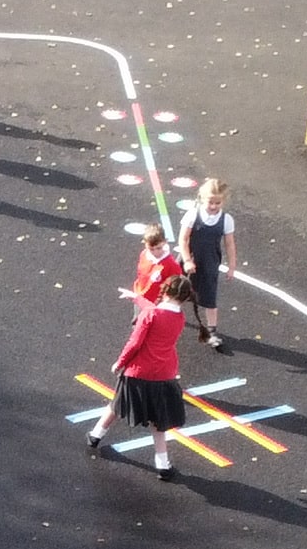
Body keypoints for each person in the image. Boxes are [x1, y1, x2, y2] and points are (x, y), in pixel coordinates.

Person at [101, 241, 191, 483]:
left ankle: (95, 435)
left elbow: (135, 342)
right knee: (158, 423)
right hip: (164, 375)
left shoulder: (150, 315)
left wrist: (119, 363)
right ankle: (163, 464)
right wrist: (136, 298)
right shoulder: (180, 318)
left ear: (166, 290)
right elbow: (158, 310)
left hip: (139, 372)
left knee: (117, 405)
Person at [179, 179, 238, 349]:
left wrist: (232, 266)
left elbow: (229, 244)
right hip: (189, 260)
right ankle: (163, 317)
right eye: (210, 202)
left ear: (223, 201)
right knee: (177, 292)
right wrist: (187, 260)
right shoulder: (192, 214)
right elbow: (183, 239)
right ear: (202, 198)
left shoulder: (226, 220)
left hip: (209, 264)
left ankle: (212, 331)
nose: (213, 206)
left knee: (210, 298)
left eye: (217, 202)